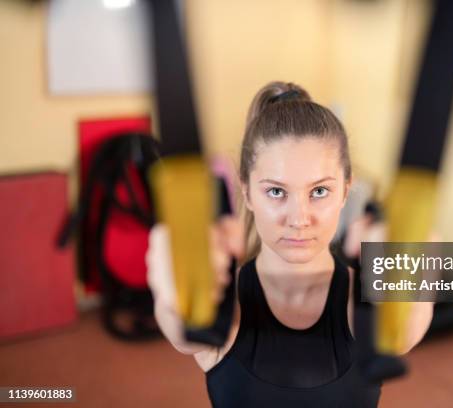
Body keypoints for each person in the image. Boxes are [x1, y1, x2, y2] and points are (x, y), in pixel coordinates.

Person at [146, 81, 434, 407]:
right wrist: (174, 281)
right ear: (247, 191)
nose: (299, 219)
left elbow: (406, 326)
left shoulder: (370, 307)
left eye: (319, 191)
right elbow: (182, 328)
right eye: (276, 192)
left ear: (346, 190)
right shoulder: (223, 308)